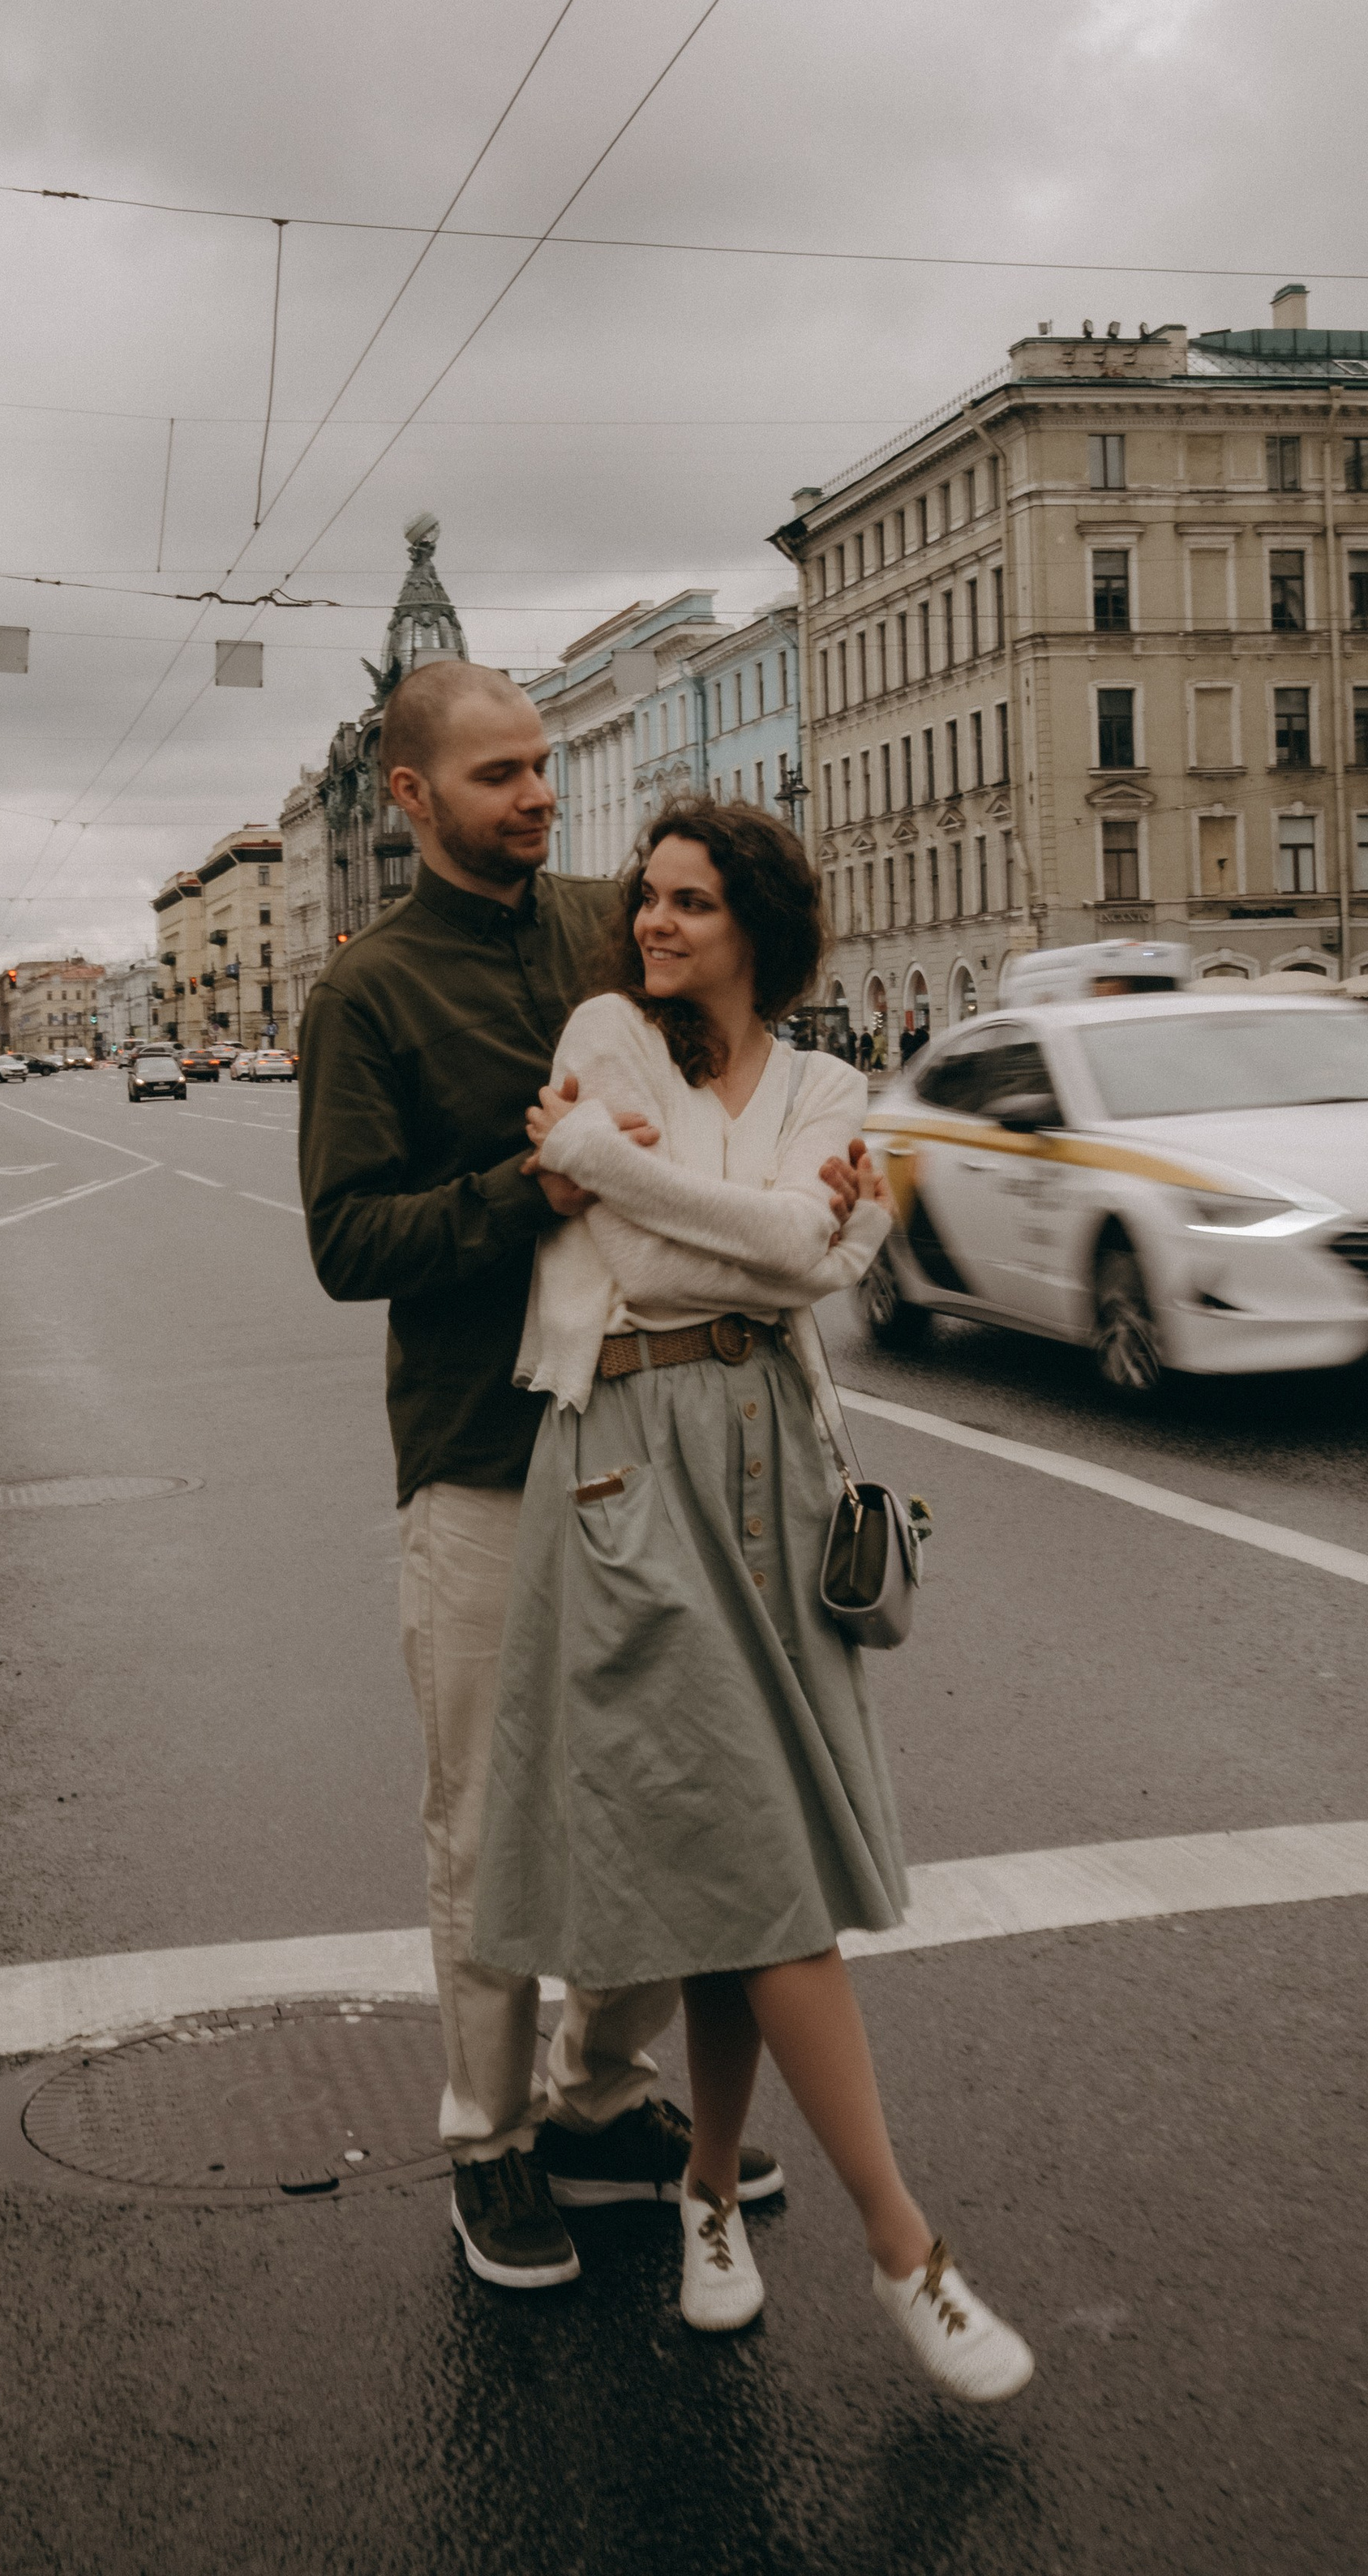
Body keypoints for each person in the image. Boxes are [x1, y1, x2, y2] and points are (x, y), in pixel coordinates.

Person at [298, 661, 873, 2295]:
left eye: (543, 766)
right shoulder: (369, 995)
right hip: (481, 1454)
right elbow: (347, 1243)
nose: (538, 796)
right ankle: (486, 2143)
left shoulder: (602, 931)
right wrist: (529, 1193)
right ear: (410, 800)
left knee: (657, 1801)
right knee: (488, 1817)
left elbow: (722, 1095)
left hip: (651, 1455)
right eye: (497, 777)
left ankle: (597, 2103)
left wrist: (817, 1171)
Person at [473, 799, 1033, 2397]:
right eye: (647, 898)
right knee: (762, 1864)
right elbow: (711, 1268)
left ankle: (710, 2197)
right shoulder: (603, 1030)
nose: (651, 924)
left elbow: (779, 1248)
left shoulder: (823, 1082)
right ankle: (899, 2245)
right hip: (625, 1469)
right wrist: (788, 1236)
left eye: (690, 902)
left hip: (771, 1478)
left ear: (757, 927)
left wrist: (619, 1173)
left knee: (737, 1866)